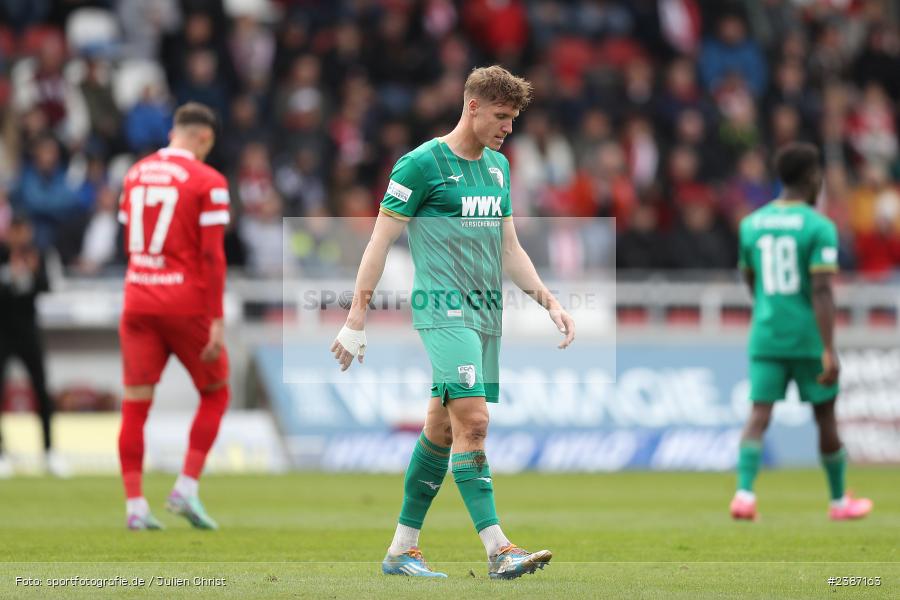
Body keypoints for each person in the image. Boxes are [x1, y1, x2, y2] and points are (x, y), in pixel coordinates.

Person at [330, 66, 575, 579]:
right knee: (475, 421)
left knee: (441, 429)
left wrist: (547, 299)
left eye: (513, 119)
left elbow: (510, 249)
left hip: (487, 314)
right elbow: (379, 243)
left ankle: (402, 549)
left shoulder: (498, 169)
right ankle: (499, 549)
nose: (508, 129)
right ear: (473, 107)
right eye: (502, 117)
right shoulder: (421, 164)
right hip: (442, 308)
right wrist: (357, 318)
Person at [732, 142, 872, 521]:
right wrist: (829, 348)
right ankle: (839, 501)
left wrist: (767, 308)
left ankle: (744, 495)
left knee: (758, 415)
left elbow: (750, 278)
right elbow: (823, 291)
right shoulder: (819, 226)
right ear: (812, 177)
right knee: (825, 416)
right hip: (808, 338)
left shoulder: (751, 224)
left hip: (765, 334)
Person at [117, 102, 230, 530]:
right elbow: (212, 255)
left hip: (137, 300)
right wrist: (215, 317)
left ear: (173, 131)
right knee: (217, 392)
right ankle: (185, 488)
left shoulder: (135, 173)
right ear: (204, 137)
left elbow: (126, 235)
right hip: (184, 304)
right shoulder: (209, 180)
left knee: (135, 405)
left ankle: (134, 507)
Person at [0, 215, 68, 478]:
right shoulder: (2, 255)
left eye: (24, 231)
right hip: (3, 332)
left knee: (41, 390)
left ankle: (50, 452)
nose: (20, 237)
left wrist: (30, 274)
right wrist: (11, 278)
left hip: (29, 331)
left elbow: (48, 287)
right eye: (16, 231)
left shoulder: (38, 254)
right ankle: (2, 453)